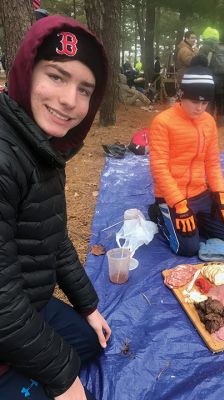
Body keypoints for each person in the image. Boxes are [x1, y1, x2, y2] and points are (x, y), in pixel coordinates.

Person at [0, 15, 111, 400]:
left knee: (92, 342)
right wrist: (63, 377)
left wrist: (89, 306)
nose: (69, 101)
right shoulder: (5, 156)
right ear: (27, 72)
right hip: (6, 315)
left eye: (85, 89)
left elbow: (53, 236)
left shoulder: (42, 146)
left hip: (27, 305)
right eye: (57, 76)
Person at [149, 66, 224, 257]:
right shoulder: (162, 122)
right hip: (172, 196)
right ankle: (159, 215)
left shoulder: (208, 122)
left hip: (200, 193)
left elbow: (212, 162)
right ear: (181, 95)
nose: (199, 107)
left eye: (205, 102)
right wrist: (179, 205)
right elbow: (159, 168)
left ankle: (195, 220)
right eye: (194, 100)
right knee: (188, 248)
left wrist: (220, 197)